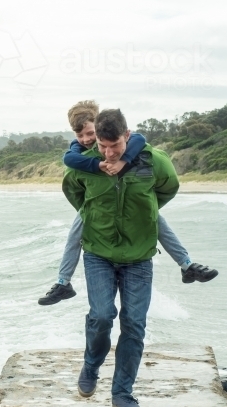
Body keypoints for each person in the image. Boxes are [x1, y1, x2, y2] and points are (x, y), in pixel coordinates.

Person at [39, 101, 217, 306]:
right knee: (75, 235)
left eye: (90, 133)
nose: (86, 140)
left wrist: (126, 167)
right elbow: (70, 173)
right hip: (97, 206)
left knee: (155, 219)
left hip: (133, 205)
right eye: (80, 135)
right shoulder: (77, 151)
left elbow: (139, 140)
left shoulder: (129, 141)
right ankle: (63, 282)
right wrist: (97, 168)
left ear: (98, 128)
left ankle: (187, 265)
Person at [62, 108, 179, 407]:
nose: (109, 152)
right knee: (101, 315)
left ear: (128, 136)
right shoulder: (86, 162)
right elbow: (73, 191)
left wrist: (147, 213)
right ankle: (91, 365)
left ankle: (122, 393)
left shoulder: (153, 161)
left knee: (134, 325)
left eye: (115, 145)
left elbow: (169, 187)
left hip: (139, 257)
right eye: (103, 145)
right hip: (98, 253)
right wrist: (95, 216)